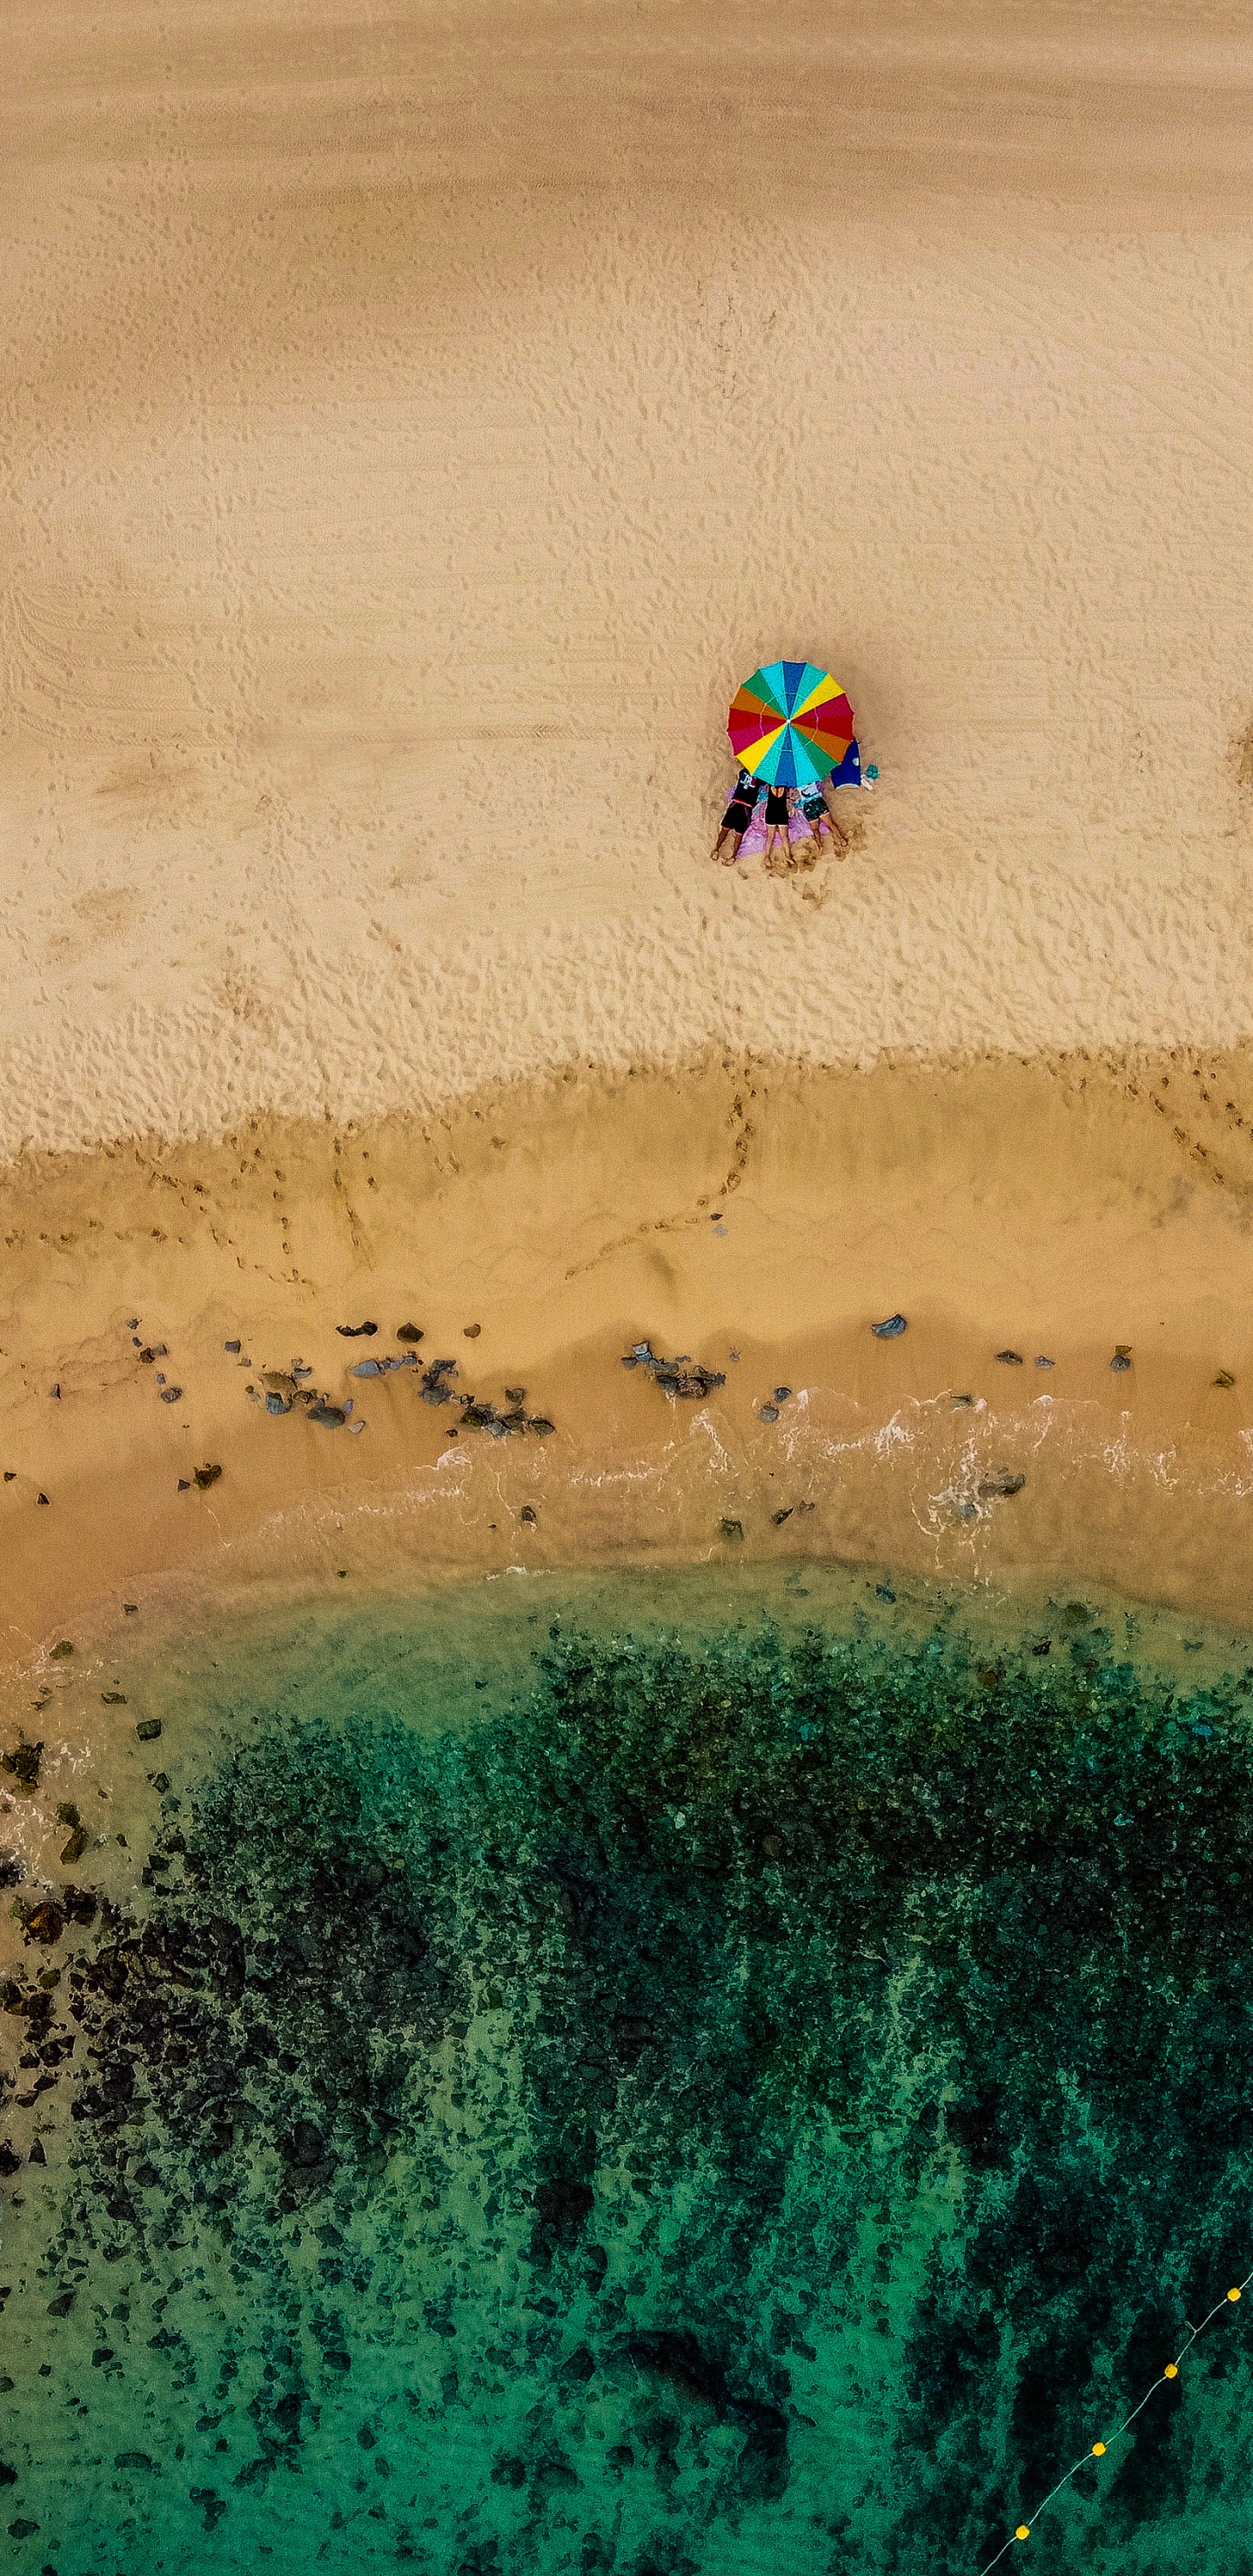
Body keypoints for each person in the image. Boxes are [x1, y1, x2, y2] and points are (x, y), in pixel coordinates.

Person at [712, 768, 761, 865]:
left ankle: (719, 850)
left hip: (738, 804)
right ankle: (730, 855)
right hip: (745, 806)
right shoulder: (759, 778)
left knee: (728, 830)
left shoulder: (744, 772)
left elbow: (740, 774)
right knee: (735, 832)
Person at [801, 775, 848, 857]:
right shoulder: (812, 775)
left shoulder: (795, 782)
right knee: (831, 823)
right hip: (818, 801)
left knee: (815, 829)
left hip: (808, 806)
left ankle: (820, 846)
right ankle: (841, 838)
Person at [761, 777, 794, 871]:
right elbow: (788, 795)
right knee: (784, 836)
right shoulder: (785, 787)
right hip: (781, 812)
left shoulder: (770, 786)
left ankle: (767, 857)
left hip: (771, 812)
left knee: (770, 836)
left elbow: (767, 791)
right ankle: (788, 855)